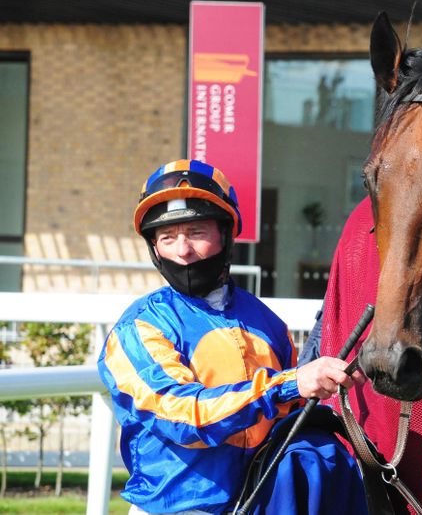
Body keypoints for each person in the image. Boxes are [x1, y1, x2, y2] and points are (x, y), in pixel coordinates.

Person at [97, 159, 367, 515]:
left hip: (261, 503)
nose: (183, 250)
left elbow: (290, 416)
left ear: (225, 234)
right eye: (167, 237)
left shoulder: (267, 323)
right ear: (154, 248)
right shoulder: (139, 328)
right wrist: (288, 385)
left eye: (196, 232)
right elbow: (184, 417)